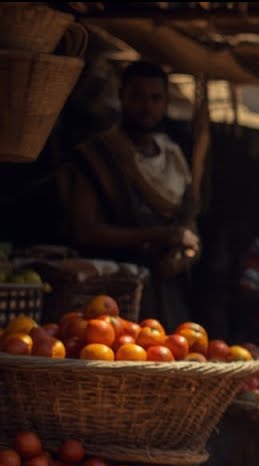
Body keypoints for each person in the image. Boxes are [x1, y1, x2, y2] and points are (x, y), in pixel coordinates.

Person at [65, 60, 200, 329]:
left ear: (165, 102)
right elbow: (84, 230)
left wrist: (184, 258)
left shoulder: (174, 159)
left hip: (167, 294)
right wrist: (157, 235)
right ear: (122, 95)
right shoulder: (98, 155)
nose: (146, 106)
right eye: (138, 96)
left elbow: (190, 230)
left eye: (155, 98)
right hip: (111, 292)